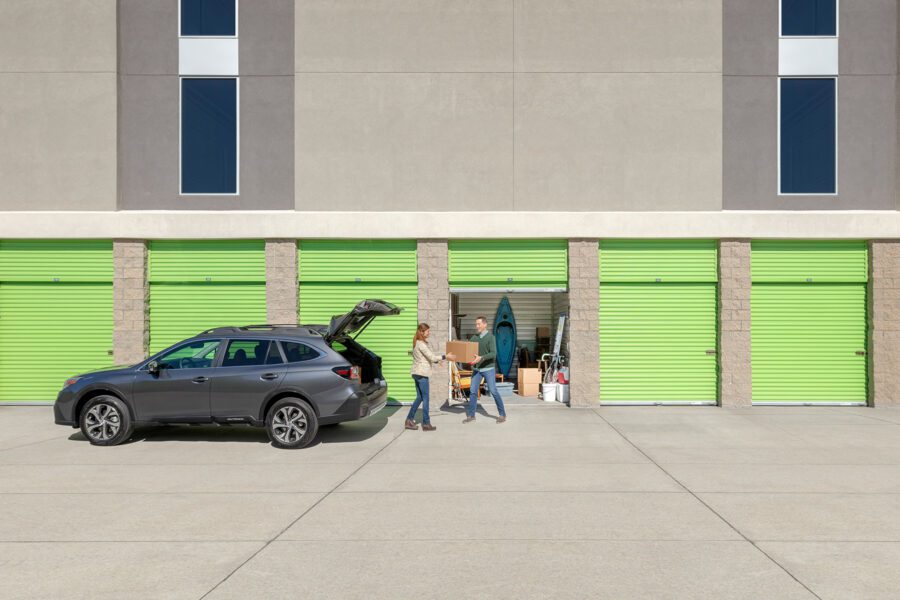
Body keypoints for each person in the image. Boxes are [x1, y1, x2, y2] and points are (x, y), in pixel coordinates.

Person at [406, 323, 455, 431]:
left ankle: (409, 420)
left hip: (416, 372)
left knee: (419, 397)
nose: (429, 332)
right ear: (422, 332)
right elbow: (432, 357)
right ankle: (426, 423)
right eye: (427, 331)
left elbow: (426, 358)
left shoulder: (417, 343)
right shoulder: (421, 344)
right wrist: (445, 356)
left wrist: (438, 361)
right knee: (426, 398)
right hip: (422, 374)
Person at [464, 316, 507, 424]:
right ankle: (471, 415)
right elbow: (468, 349)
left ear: (484, 325)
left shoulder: (491, 337)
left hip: (488, 368)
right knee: (473, 391)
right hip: (477, 369)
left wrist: (481, 358)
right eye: (476, 324)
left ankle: (502, 414)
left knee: (493, 391)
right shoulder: (474, 337)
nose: (476, 326)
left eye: (478, 324)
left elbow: (493, 354)